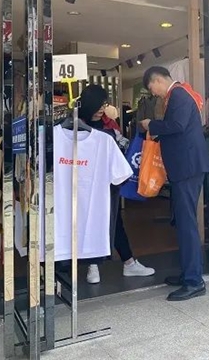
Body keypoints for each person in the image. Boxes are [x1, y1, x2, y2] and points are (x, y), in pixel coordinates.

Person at [139, 66, 209, 301]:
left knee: (186, 223)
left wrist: (152, 125)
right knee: (183, 222)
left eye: (152, 88)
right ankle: (189, 273)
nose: (154, 93)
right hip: (187, 168)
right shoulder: (180, 94)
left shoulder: (178, 94)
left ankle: (194, 281)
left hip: (188, 168)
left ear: (158, 80)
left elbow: (178, 126)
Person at [78, 84, 155, 283]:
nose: (101, 109)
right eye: (98, 104)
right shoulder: (75, 126)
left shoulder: (110, 126)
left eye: (104, 104)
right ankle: (93, 265)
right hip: (83, 183)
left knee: (114, 221)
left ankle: (128, 262)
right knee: (88, 221)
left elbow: (124, 146)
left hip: (107, 182)